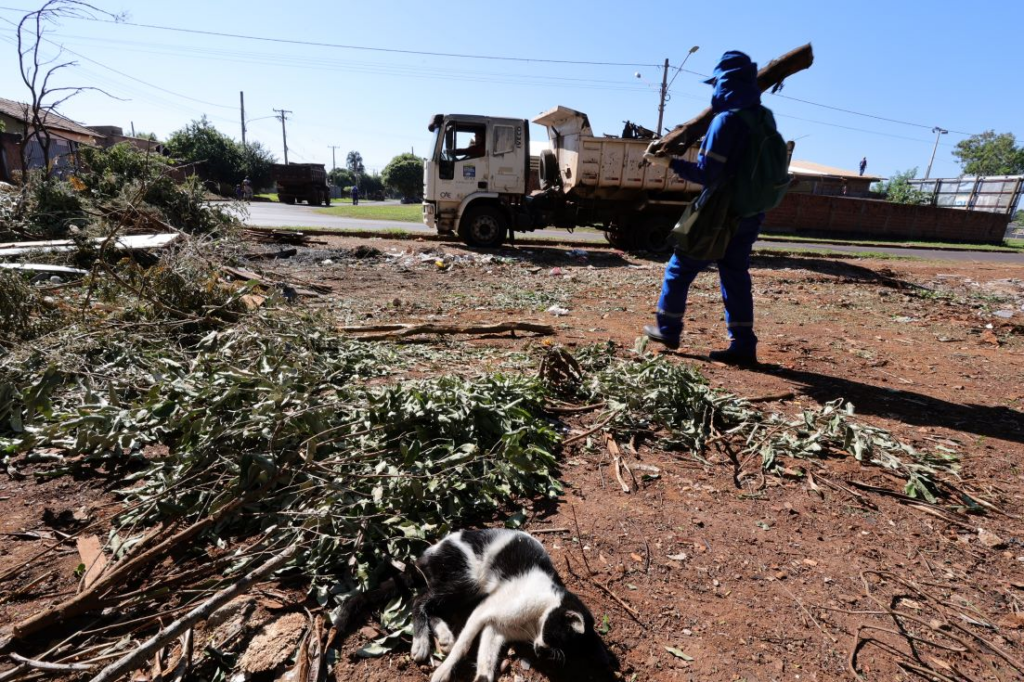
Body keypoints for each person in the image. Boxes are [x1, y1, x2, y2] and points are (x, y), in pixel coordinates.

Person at [641, 50, 772, 367]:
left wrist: (669, 163)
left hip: (719, 212)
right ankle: (743, 345)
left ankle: (667, 329)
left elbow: (707, 174)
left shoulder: (725, 121)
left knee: (680, 268)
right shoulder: (764, 118)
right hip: (751, 212)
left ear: (722, 84)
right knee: (735, 275)